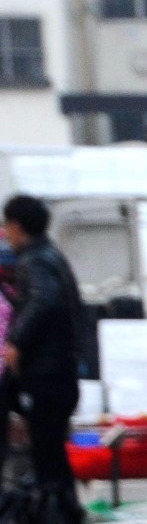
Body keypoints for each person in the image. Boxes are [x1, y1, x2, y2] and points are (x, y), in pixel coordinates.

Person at [1, 194, 83, 496]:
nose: (5, 234)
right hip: (60, 373)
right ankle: (63, 513)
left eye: (6, 226)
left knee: (48, 458)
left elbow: (44, 300)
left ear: (17, 226)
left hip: (47, 376)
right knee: (53, 457)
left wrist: (17, 342)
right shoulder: (50, 255)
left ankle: (56, 516)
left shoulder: (35, 261)